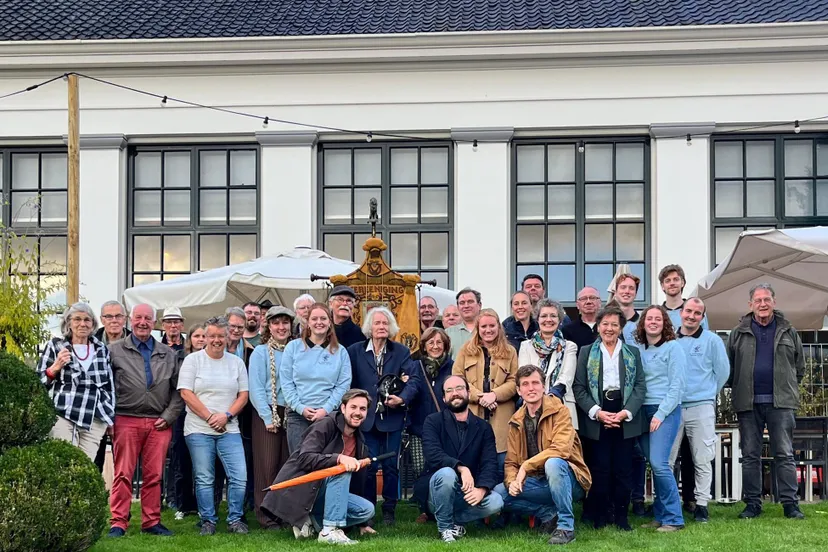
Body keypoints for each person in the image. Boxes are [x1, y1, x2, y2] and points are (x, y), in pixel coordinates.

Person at [727, 283, 805, 520]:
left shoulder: (789, 331)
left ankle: (790, 505)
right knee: (750, 455)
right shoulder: (737, 332)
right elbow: (729, 369)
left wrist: (786, 387)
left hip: (781, 403)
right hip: (748, 404)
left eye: (767, 299)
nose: (763, 304)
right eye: (758, 300)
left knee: (785, 454)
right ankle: (752, 504)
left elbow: (799, 367)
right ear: (750, 305)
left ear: (774, 302)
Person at [261, 389, 376, 545]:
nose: (357, 412)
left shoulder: (360, 442)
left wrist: (363, 524)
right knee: (340, 469)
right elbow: (304, 458)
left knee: (367, 510)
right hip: (304, 489)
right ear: (343, 408)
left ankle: (311, 523)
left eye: (362, 409)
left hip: (327, 493)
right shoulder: (326, 424)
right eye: (353, 407)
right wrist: (339, 458)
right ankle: (329, 530)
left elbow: (357, 484)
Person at [107, 304, 183, 538]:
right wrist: (110, 418)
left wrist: (168, 417)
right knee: (123, 474)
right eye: (138, 317)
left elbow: (178, 391)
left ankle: (151, 521)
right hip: (125, 419)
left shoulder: (167, 353)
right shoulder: (115, 350)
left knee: (154, 475)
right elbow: (106, 387)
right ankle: (118, 522)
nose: (143, 322)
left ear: (154, 322)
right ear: (130, 320)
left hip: (158, 422)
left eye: (148, 318)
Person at [494, 365, 592, 545]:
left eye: (535, 383)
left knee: (553, 463)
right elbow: (511, 462)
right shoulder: (516, 421)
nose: (531, 388)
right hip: (537, 482)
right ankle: (547, 513)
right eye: (525, 384)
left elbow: (561, 449)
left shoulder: (560, 411)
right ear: (518, 390)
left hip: (570, 479)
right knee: (498, 494)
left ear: (543, 386)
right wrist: (512, 481)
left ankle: (566, 527)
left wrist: (525, 466)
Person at [572, 305, 646, 531]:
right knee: (600, 468)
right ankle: (600, 516)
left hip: (625, 414)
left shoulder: (632, 353)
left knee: (623, 469)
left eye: (614, 324)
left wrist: (625, 413)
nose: (609, 328)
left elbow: (640, 387)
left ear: (621, 327)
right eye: (605, 324)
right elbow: (579, 387)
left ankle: (622, 517)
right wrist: (597, 412)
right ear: (598, 326)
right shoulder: (586, 352)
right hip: (597, 414)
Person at [347, 306, 420, 525]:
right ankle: (367, 512)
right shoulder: (354, 351)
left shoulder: (401, 352)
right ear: (370, 327)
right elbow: (348, 382)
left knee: (391, 467)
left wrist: (402, 398)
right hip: (365, 420)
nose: (381, 327)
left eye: (385, 323)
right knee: (368, 467)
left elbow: (414, 380)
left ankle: (389, 509)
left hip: (392, 418)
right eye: (377, 323)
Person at [178, 316, 250, 536]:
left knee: (239, 476)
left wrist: (226, 415)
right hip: (198, 429)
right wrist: (210, 417)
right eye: (212, 336)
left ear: (227, 336)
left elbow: (243, 395)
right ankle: (208, 520)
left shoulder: (236, 363)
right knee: (204, 477)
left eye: (221, 335)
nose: (217, 340)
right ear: (205, 337)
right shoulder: (193, 360)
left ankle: (235, 519)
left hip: (229, 428)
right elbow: (185, 392)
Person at [416, 375, 504, 542]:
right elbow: (433, 454)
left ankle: (452, 521)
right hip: (436, 493)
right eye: (449, 390)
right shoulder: (433, 421)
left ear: (468, 392)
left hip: (465, 494)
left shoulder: (483, 427)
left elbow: (490, 463)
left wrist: (482, 489)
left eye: (459, 388)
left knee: (496, 501)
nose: (454, 393)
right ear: (443, 398)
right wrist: (462, 468)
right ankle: (446, 529)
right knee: (448, 473)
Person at [668, 298, 729, 523]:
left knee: (702, 458)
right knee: (667, 459)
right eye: (688, 311)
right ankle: (668, 504)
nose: (691, 316)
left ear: (703, 317)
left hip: (701, 407)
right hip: (673, 407)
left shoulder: (712, 341)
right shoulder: (670, 340)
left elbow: (722, 372)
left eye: (697, 313)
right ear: (681, 313)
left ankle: (702, 505)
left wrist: (706, 392)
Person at [36, 302, 115, 461]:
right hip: (64, 414)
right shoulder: (56, 346)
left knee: (85, 466)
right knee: (63, 463)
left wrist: (109, 417)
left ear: (93, 324)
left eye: (87, 320)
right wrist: (56, 367)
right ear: (68, 323)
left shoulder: (101, 349)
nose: (82, 324)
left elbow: (109, 385)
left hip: (94, 417)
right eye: (77, 319)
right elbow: (37, 383)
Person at [632, 305, 686, 532]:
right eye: (649, 319)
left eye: (658, 319)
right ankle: (660, 515)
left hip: (664, 410)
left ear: (665, 324)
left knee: (660, 463)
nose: (653, 322)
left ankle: (674, 518)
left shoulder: (673, 348)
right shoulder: (638, 349)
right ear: (643, 323)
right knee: (652, 465)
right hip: (641, 411)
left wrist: (661, 414)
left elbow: (677, 386)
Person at [280, 302, 353, 453]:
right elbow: (286, 382)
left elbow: (343, 385)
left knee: (325, 466)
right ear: (307, 323)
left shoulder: (340, 352)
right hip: (298, 416)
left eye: (323, 318)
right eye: (314, 319)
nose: (319, 322)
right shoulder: (293, 348)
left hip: (328, 416)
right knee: (299, 465)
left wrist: (325, 410)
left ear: (329, 322)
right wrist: (300, 408)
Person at [452, 308, 517, 474]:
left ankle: (501, 497)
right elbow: (458, 378)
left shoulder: (510, 351)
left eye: (492, 326)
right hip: (473, 413)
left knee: (501, 461)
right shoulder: (465, 350)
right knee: (473, 459)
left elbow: (514, 381)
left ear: (498, 327)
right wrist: (479, 397)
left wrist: (494, 395)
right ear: (478, 329)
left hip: (501, 416)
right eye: (484, 327)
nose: (488, 330)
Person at [248, 306, 296, 530]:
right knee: (266, 466)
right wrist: (268, 417)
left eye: (285, 322)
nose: (281, 327)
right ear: (269, 326)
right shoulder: (260, 352)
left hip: (293, 412)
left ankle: (284, 513)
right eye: (276, 323)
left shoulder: (297, 350)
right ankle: (265, 515)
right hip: (268, 411)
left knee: (287, 466)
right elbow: (256, 387)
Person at [409, 327, 455, 522]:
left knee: (443, 467)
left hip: (446, 428)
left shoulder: (453, 367)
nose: (435, 346)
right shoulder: (415, 367)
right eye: (431, 343)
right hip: (419, 427)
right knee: (421, 469)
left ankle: (442, 506)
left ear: (445, 345)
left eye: (439, 342)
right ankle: (426, 509)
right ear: (424, 346)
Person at [518, 298, 579, 428]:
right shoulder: (525, 346)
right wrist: (537, 401)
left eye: (553, 316)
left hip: (561, 405)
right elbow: (525, 375)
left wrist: (548, 400)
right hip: (531, 406)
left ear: (559, 320)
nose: (548, 320)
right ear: (537, 319)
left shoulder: (570, 346)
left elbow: (566, 378)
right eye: (544, 316)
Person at [171, 323, 207, 521]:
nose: (201, 339)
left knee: (202, 465)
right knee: (182, 461)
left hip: (207, 412)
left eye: (203, 336)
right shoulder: (180, 359)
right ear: (190, 339)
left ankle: (203, 504)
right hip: (183, 414)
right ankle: (183, 504)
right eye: (197, 336)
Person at [658, 265, 708, 331]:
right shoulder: (657, 315)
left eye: (676, 279)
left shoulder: (697, 312)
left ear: (682, 283)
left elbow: (706, 338)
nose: (672, 283)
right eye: (668, 281)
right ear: (662, 286)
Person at [445, 287, 482, 357]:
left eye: (470, 302)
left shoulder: (488, 330)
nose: (466, 306)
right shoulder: (448, 333)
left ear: (479, 305)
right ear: (458, 307)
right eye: (462, 303)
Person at [611, 274, 640, 345]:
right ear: (615, 293)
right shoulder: (607, 323)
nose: (627, 291)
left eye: (631, 288)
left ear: (635, 294)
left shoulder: (643, 323)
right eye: (623, 287)